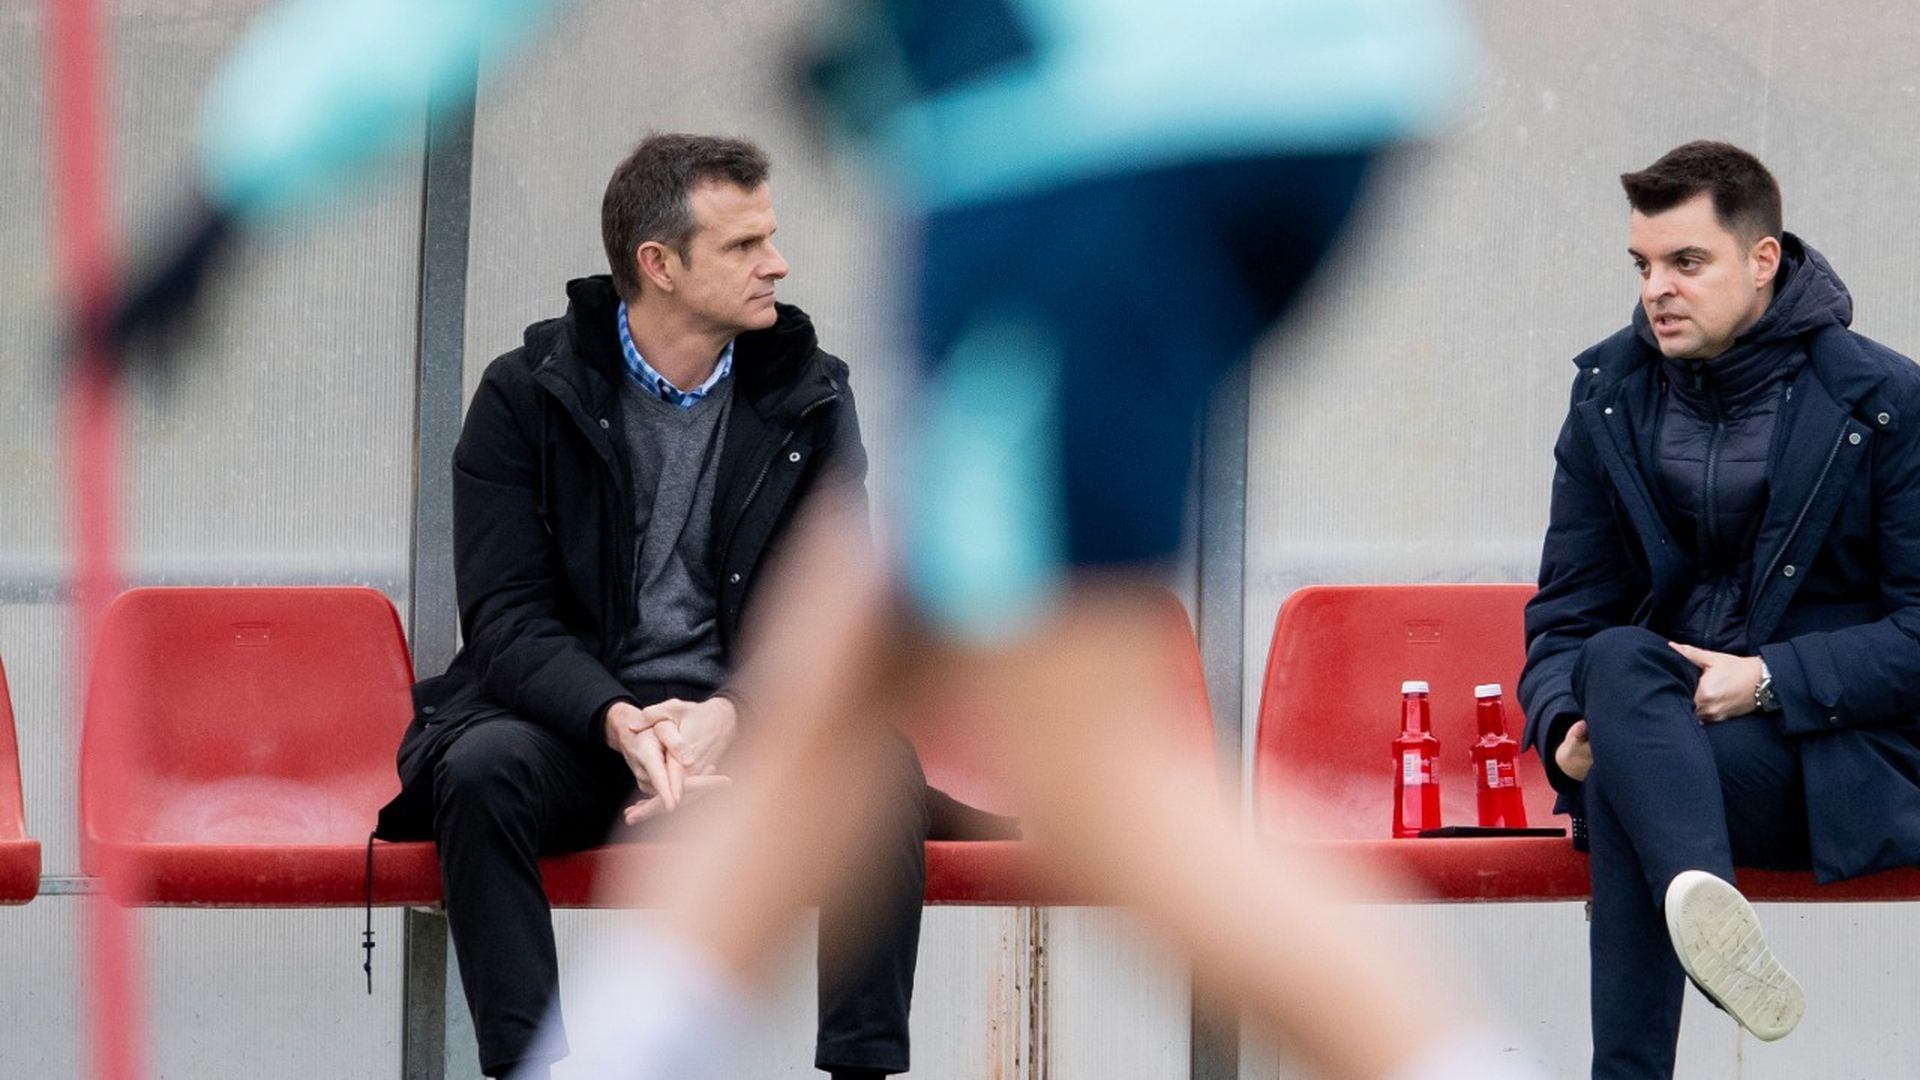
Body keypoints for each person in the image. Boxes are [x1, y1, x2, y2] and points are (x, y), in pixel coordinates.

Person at [522, 4, 1550, 1080]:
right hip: (1181, 114)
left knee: (1090, 778)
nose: (775, 264)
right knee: (840, 676)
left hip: (1092, 136)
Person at [372, 133, 963, 1080]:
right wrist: (617, 721)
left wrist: (730, 715)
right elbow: (507, 620)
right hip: (574, 726)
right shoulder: (523, 398)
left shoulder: (813, 397)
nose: (777, 262)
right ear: (660, 265)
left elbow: (834, 614)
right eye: (742, 246)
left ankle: (860, 1071)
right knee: (479, 774)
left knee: (875, 769)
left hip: (740, 726)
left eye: (770, 237)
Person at [1518, 140, 1920, 1079]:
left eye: (1686, 262)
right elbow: (1566, 617)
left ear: (1762, 260)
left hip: (1840, 762)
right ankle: (1702, 898)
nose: (1657, 288)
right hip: (1673, 743)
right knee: (1613, 669)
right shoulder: (1608, 397)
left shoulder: (1886, 400)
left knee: (1627, 771)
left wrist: (1771, 680)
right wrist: (1562, 725)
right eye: (1643, 265)